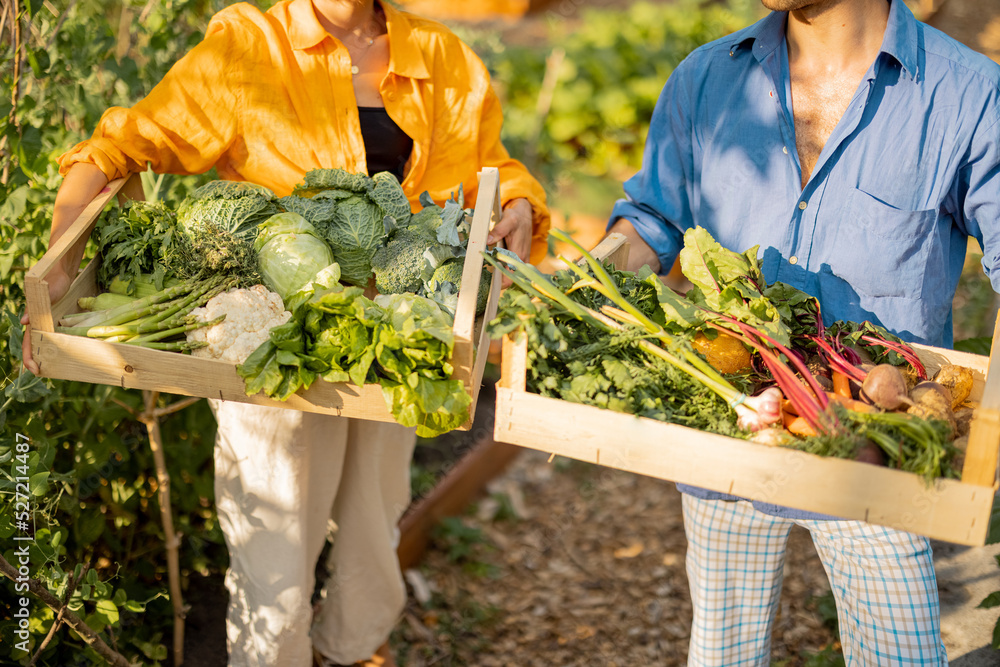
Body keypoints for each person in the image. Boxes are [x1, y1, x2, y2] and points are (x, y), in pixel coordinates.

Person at [21, 1, 550, 665]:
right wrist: (55, 272)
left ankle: (353, 648)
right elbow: (121, 146)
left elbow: (491, 168)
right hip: (274, 340)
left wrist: (519, 204)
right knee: (274, 542)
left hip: (395, 337)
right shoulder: (249, 47)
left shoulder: (439, 56)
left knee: (373, 520)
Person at [608, 0, 999, 664]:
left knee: (899, 653)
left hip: (882, 435)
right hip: (736, 421)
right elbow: (648, 221)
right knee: (725, 650)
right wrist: (576, 288)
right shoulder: (704, 79)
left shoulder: (965, 92)